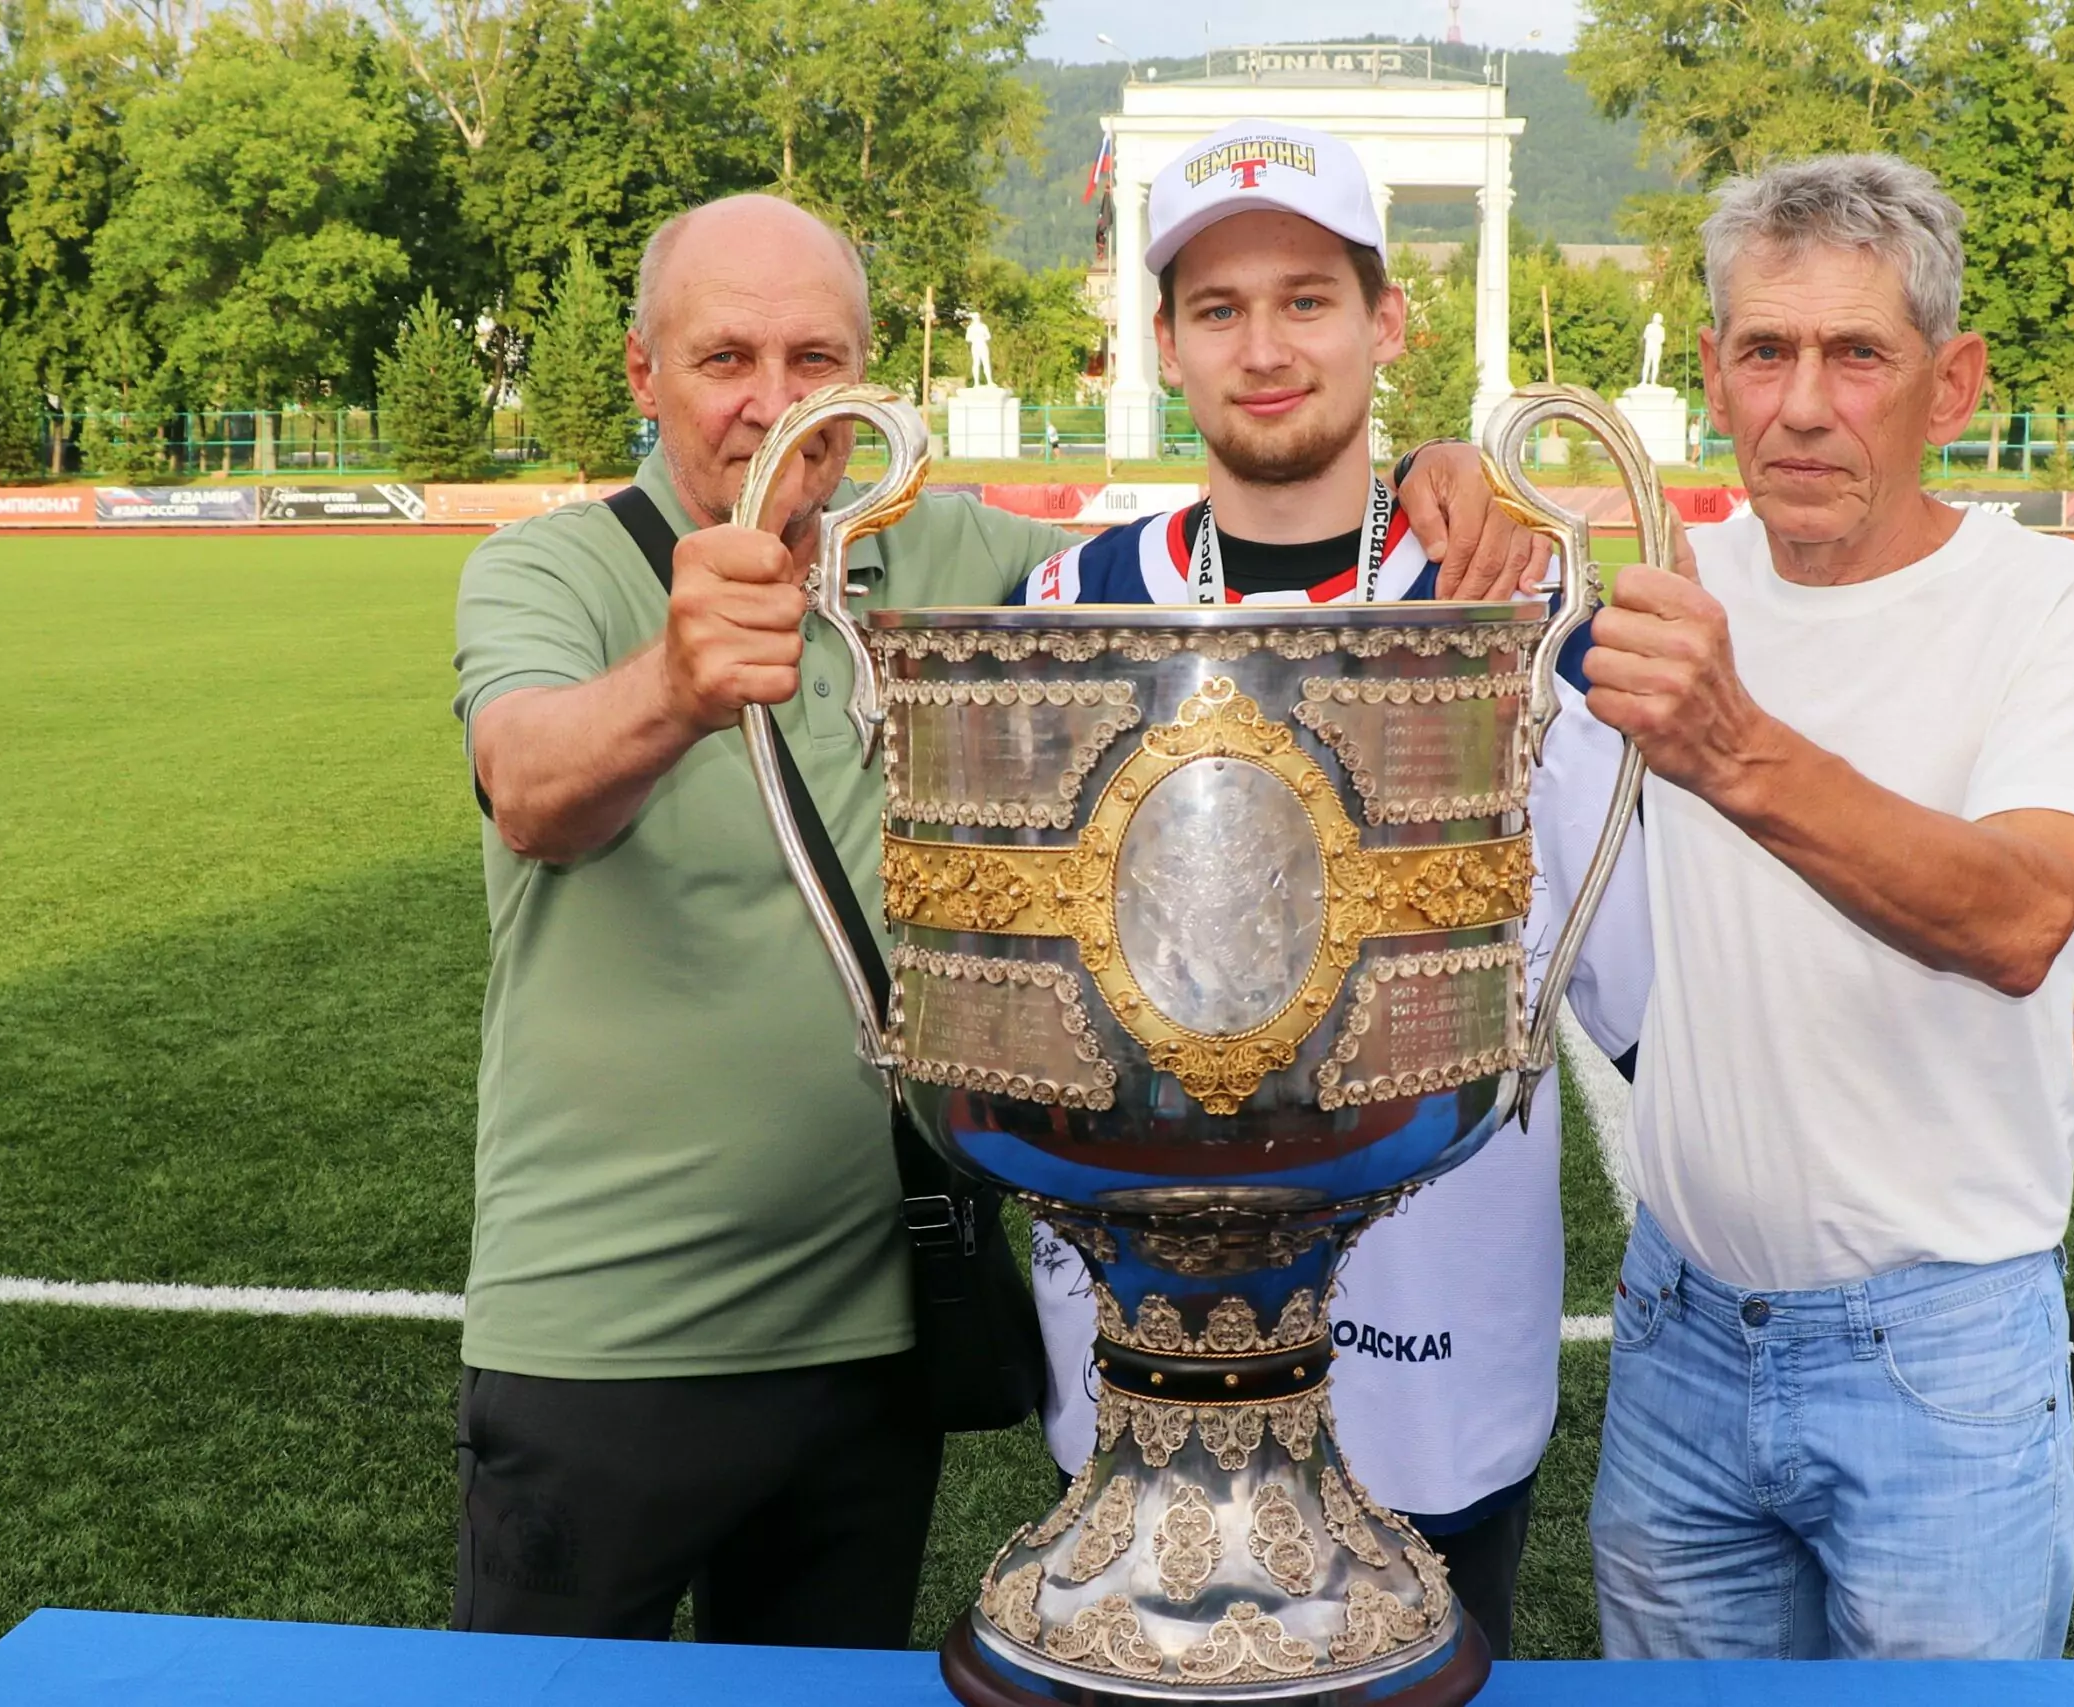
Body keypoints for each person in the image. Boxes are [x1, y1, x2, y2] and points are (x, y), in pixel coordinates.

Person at [447, 192, 1547, 1648]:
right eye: (725, 360)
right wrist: (674, 678)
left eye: (814, 360)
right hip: (609, 1329)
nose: (775, 404)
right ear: (645, 373)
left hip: (878, 1329)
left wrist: (1430, 469)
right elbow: (529, 787)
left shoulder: (957, 564)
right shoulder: (554, 571)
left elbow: (1239, 520)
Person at [1568, 154, 2074, 1661]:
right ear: (1711, 374)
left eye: (1857, 354)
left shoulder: (2061, 605)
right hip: (1678, 1338)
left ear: (1949, 386)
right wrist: (1442, 468)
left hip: (1940, 1353)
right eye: (1765, 350)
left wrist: (1733, 746)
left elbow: (2023, 916)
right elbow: (1447, 517)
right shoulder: (1674, 578)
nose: (1804, 404)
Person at [1007, 118, 1572, 1659]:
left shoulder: (1516, 601)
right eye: (1218, 306)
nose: (1265, 347)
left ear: (1388, 323)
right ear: (1168, 343)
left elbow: (1621, 971)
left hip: (1436, 1358)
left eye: (1308, 298)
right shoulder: (1062, 605)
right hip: (1140, 1359)